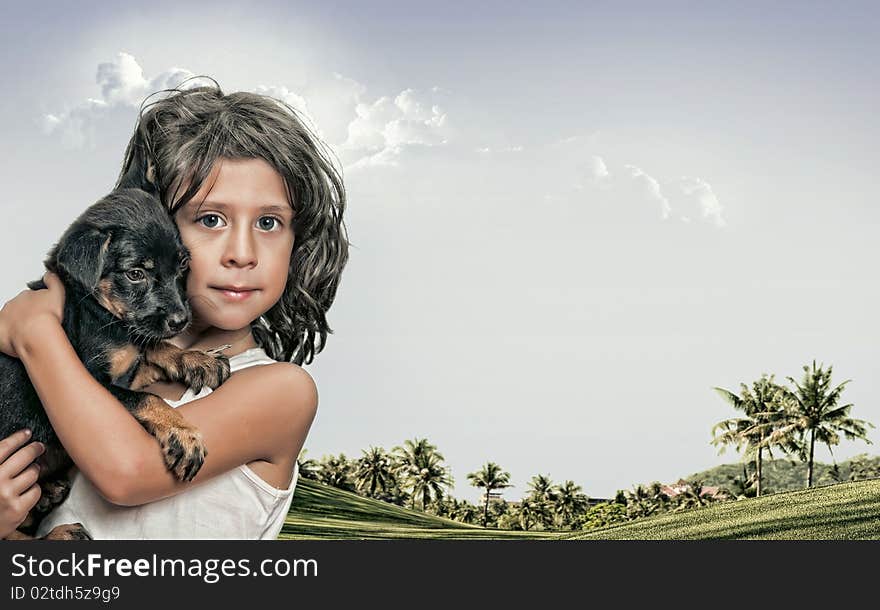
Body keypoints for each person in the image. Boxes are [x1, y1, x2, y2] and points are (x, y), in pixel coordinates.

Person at [0, 77, 349, 539]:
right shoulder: (91, 361)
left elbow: (124, 471)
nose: (242, 252)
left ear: (296, 241)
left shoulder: (281, 392)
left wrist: (34, 332)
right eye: (211, 218)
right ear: (157, 227)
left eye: (269, 222)